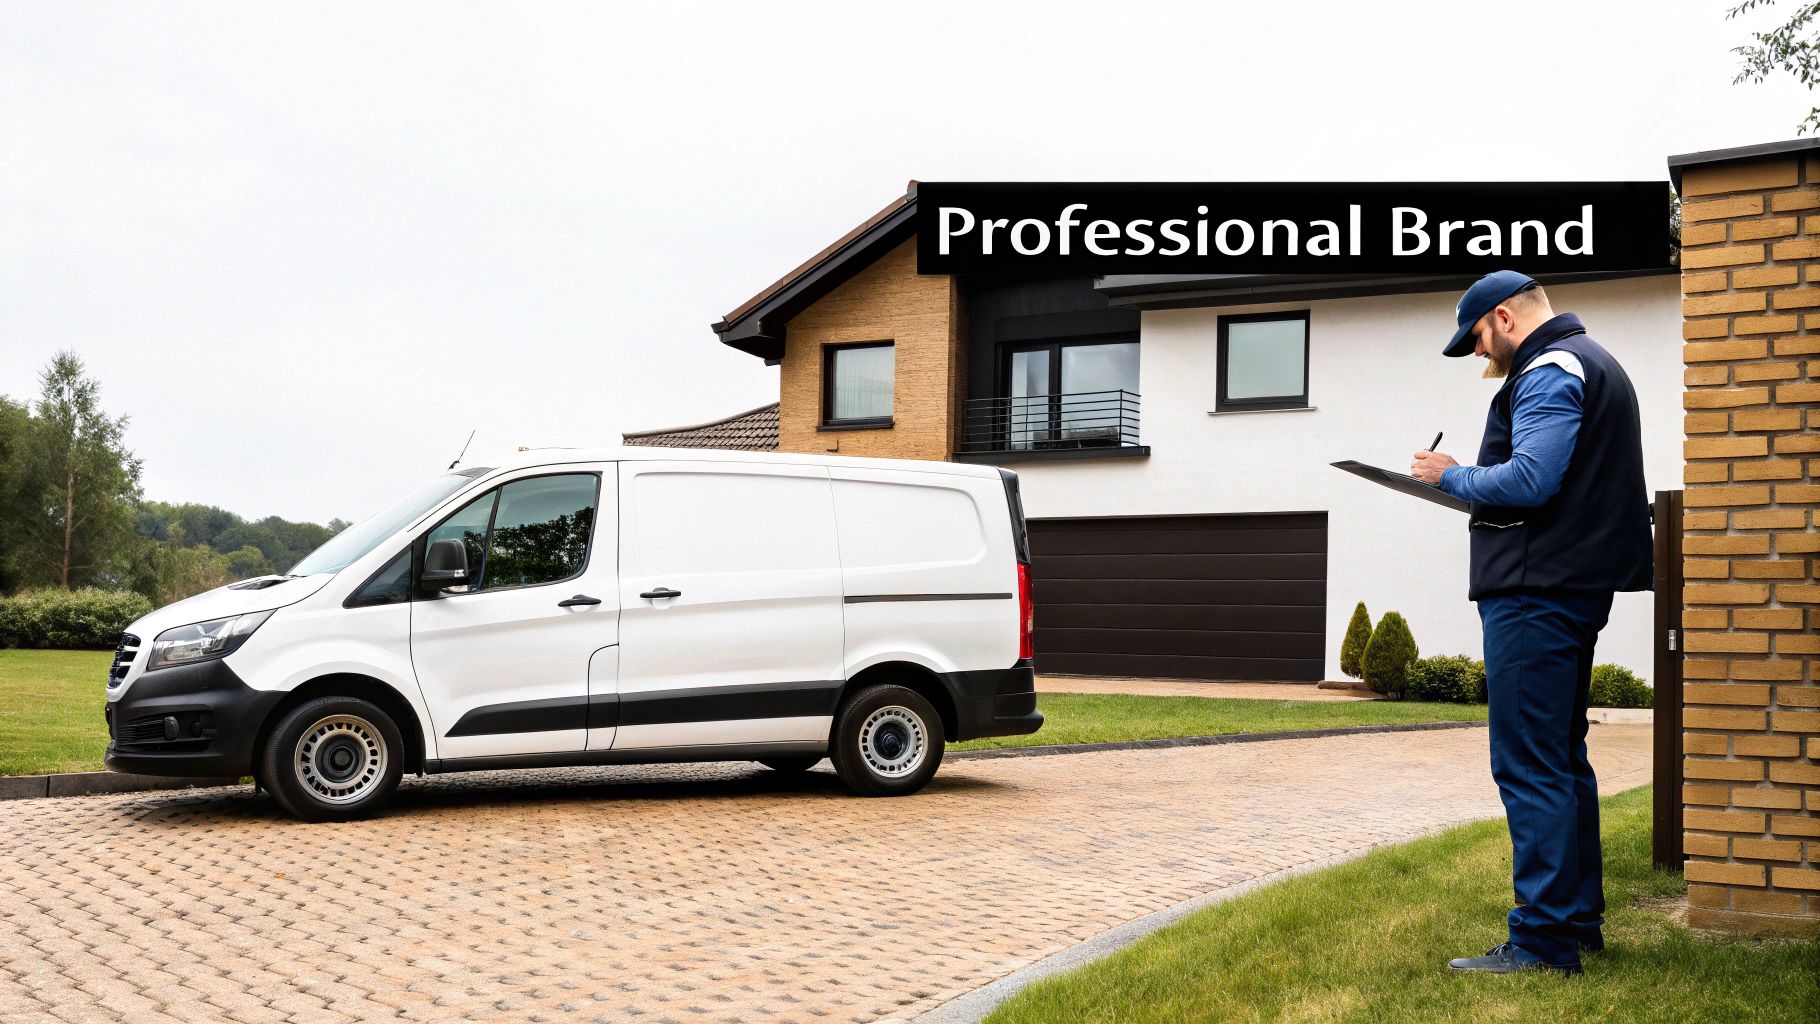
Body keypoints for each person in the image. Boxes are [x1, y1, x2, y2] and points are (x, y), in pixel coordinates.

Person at [1409, 270, 1652, 976]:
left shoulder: (1550, 368)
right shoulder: (1592, 360)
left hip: (1533, 593)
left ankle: (1543, 943)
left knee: (1528, 764)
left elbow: (1530, 480)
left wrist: (1450, 474)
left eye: (1479, 336)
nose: (1482, 354)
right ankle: (1575, 924)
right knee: (1562, 760)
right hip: (1569, 586)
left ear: (1506, 317)